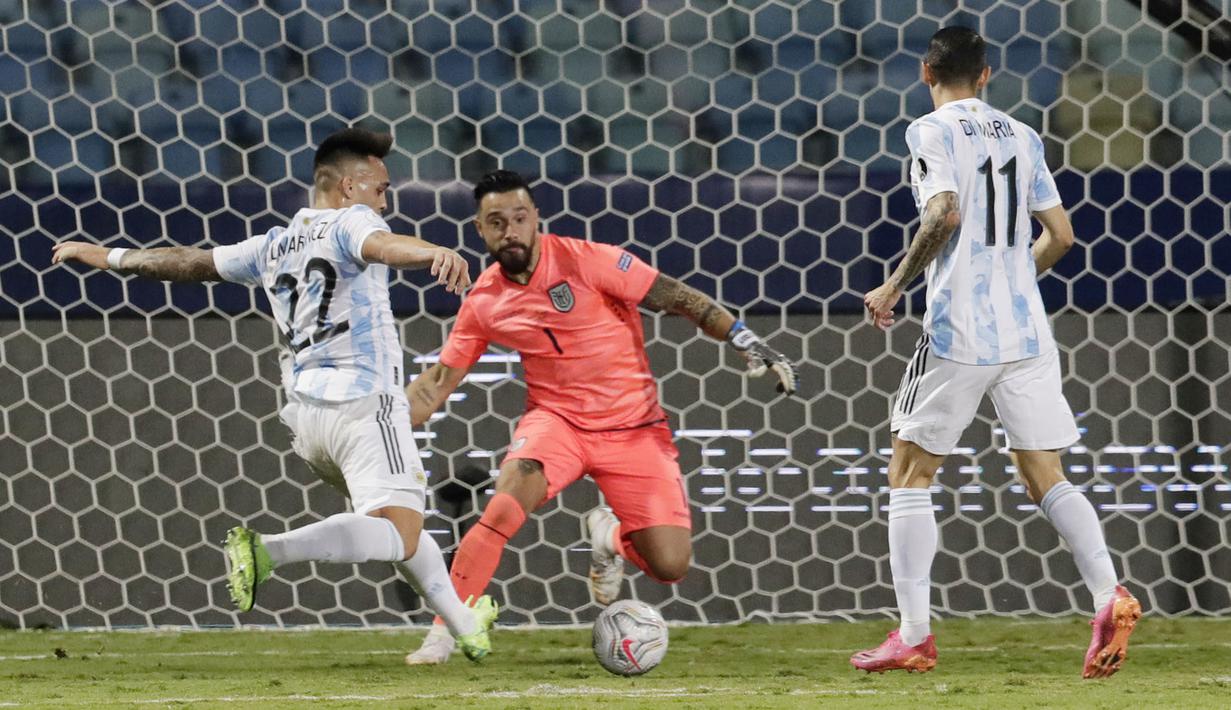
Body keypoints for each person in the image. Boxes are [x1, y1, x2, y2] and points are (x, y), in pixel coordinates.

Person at [52, 127, 498, 661]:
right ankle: (267, 552)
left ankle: (463, 626)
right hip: (363, 406)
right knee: (400, 533)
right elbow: (379, 244)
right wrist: (432, 254)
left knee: (393, 521)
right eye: (379, 189)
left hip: (307, 420)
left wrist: (107, 256)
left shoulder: (271, 244)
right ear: (348, 186)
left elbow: (186, 262)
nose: (385, 199)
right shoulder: (353, 220)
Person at [403, 169, 798, 664]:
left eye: (519, 218)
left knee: (671, 565)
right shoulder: (485, 301)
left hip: (634, 429)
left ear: (536, 220)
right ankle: (443, 633)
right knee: (504, 503)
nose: (510, 231)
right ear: (480, 231)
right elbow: (436, 384)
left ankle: (607, 535)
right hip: (556, 423)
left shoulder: (589, 260)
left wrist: (742, 337)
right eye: (496, 222)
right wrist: (382, 420)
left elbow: (675, 295)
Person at [853, 27, 1141, 678]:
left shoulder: (930, 132)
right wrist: (1011, 280)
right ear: (985, 76)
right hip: (1027, 331)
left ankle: (913, 637)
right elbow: (1061, 237)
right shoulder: (1023, 135)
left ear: (926, 72)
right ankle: (1108, 593)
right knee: (1044, 470)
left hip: (961, 328)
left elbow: (943, 213)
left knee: (907, 473)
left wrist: (893, 285)